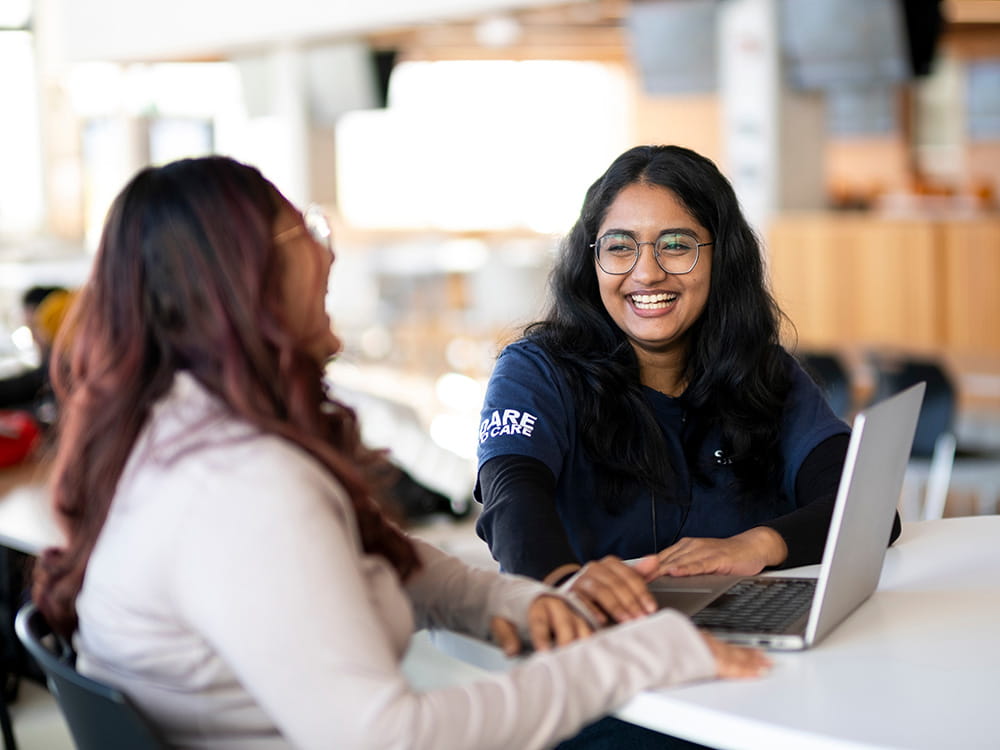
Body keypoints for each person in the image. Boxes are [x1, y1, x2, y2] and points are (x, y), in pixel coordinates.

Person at [32, 156, 769, 750]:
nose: (329, 252)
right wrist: (648, 654)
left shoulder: (185, 440)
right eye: (307, 233)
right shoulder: (241, 487)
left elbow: (387, 563)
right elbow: (394, 736)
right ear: (244, 281)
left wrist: (525, 599)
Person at [476, 143, 902, 625]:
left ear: (722, 256)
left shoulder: (763, 371)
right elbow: (511, 498)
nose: (646, 272)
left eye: (676, 244)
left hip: (755, 643)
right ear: (591, 258)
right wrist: (561, 585)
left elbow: (867, 506)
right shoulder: (537, 372)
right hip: (602, 650)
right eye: (619, 246)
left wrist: (757, 545)